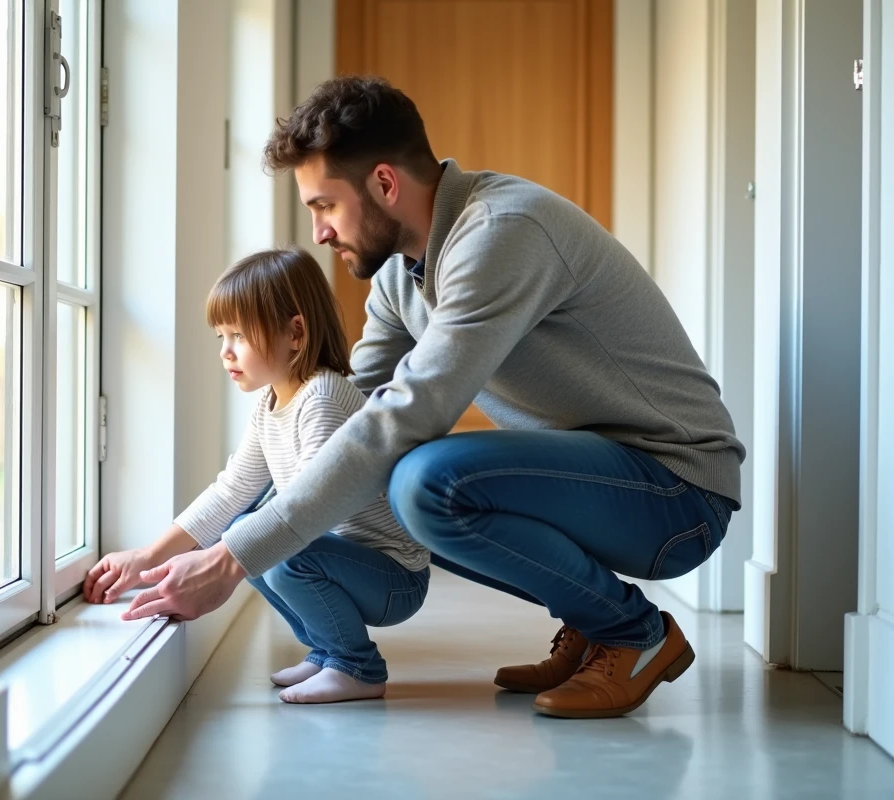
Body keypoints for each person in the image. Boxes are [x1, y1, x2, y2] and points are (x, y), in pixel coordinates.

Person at [122, 76, 745, 719]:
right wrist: (193, 540)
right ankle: (590, 618)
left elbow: (406, 417)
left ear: (385, 185)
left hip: (678, 491)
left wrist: (232, 557)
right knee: (391, 473)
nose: (320, 233)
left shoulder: (500, 233)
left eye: (326, 206)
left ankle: (633, 633)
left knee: (426, 482)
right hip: (601, 478)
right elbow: (353, 416)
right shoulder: (398, 276)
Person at [85, 247, 431, 704]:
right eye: (220, 336)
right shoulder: (271, 402)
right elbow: (230, 491)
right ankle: (329, 650)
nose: (226, 352)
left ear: (295, 332)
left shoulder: (322, 399)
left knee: (274, 549)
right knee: (241, 531)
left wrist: (229, 553)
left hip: (395, 578)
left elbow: (306, 514)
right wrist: (147, 557)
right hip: (348, 563)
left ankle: (358, 667)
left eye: (240, 335)